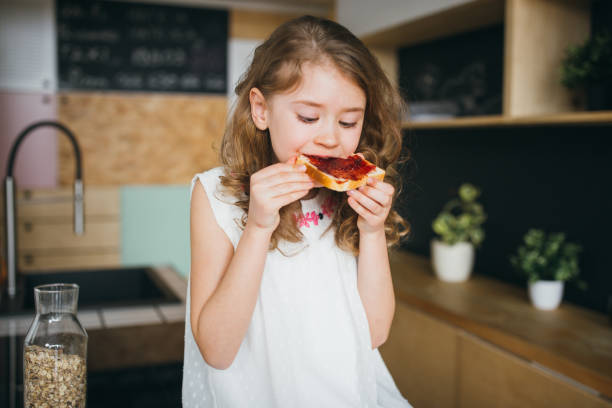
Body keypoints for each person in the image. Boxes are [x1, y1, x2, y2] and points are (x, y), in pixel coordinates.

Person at [183, 15, 412, 408]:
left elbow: (373, 334)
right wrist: (257, 228)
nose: (330, 137)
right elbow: (217, 351)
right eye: (308, 117)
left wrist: (372, 233)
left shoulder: (350, 195)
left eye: (348, 121)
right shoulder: (215, 196)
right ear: (261, 110)